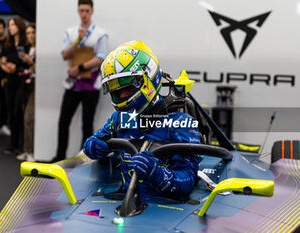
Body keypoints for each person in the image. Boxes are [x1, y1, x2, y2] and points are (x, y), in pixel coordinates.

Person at [83, 41, 201, 202]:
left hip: (166, 211)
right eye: (116, 90)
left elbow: (188, 180)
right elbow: (93, 142)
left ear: (147, 80)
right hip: (127, 207)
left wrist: (158, 174)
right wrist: (92, 146)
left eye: (127, 88)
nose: (122, 95)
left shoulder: (181, 123)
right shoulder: (122, 119)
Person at [52, 0, 108, 162]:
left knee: (87, 124)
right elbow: (65, 55)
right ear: (78, 11)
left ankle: (83, 160)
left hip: (91, 86)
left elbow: (101, 58)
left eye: (87, 11)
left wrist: (81, 67)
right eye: (81, 10)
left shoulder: (100, 34)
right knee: (63, 121)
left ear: (92, 12)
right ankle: (59, 157)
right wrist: (77, 40)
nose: (84, 14)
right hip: (73, 85)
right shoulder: (70, 33)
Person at [0, 17, 27, 155]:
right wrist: (8, 68)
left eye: (12, 25)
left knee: (19, 112)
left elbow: (27, 62)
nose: (10, 27)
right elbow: (2, 62)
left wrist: (16, 68)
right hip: (9, 81)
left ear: (19, 26)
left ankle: (22, 144)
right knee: (11, 112)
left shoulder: (25, 43)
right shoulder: (7, 44)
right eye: (9, 25)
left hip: (21, 82)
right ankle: (13, 143)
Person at [16, 23, 36, 162]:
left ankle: (31, 151)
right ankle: (26, 149)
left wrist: (30, 62)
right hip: (25, 85)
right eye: (28, 33)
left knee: (29, 118)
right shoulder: (27, 49)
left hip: (37, 86)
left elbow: (40, 68)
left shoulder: (40, 50)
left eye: (33, 32)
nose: (30, 36)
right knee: (24, 118)